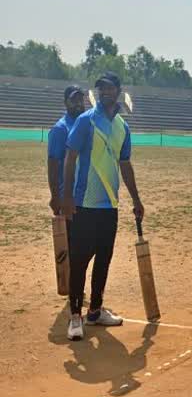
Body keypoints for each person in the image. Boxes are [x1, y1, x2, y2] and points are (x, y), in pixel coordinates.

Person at [60, 72, 144, 341]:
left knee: (104, 260)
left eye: (110, 88)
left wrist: (136, 199)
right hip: (84, 205)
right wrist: (67, 198)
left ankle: (95, 310)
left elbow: (125, 165)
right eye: (101, 89)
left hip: (110, 206)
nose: (106, 93)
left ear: (118, 91)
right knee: (80, 261)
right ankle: (75, 316)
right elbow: (70, 158)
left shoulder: (122, 127)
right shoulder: (86, 122)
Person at [48, 86, 86, 215]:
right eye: (74, 100)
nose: (78, 104)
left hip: (86, 196)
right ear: (66, 103)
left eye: (81, 100)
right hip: (67, 198)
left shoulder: (87, 124)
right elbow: (53, 165)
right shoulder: (60, 128)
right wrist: (55, 196)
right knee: (70, 234)